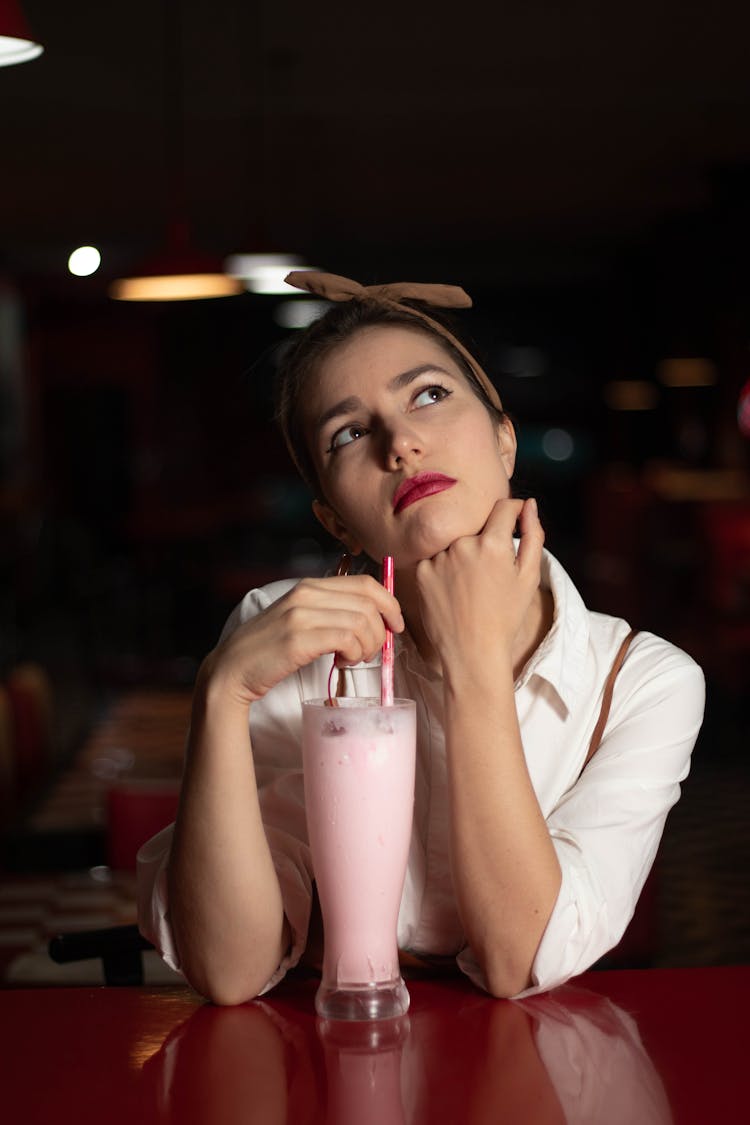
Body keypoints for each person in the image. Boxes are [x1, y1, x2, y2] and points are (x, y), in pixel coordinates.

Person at [137, 271, 705, 1004]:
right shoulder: (282, 641)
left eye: (429, 394)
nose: (400, 442)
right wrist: (220, 692)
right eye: (348, 431)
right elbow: (229, 969)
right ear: (336, 519)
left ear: (505, 438)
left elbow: (517, 958)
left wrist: (472, 661)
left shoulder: (643, 681)